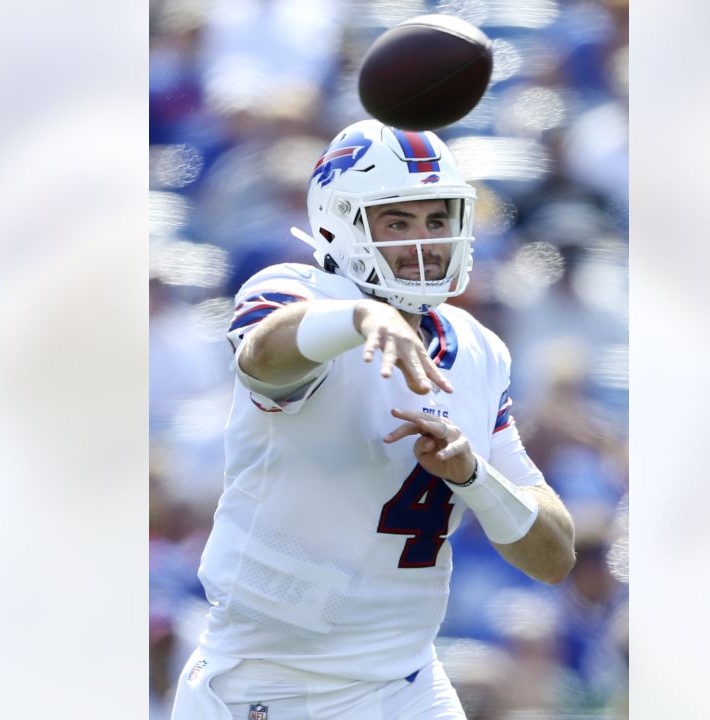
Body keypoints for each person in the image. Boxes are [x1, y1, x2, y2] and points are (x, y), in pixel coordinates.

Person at [171, 119, 577, 719]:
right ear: (341, 223)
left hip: (405, 682)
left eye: (437, 220)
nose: (425, 242)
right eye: (398, 221)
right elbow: (263, 357)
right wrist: (359, 318)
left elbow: (554, 556)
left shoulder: (478, 348)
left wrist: (473, 478)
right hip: (272, 684)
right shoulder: (296, 293)